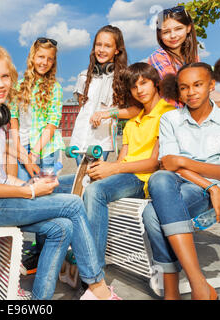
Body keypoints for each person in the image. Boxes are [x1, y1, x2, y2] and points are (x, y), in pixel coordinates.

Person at [0, 42, 121, 300]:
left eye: (5, 76)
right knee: (72, 204)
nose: (0, 84)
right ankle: (97, 289)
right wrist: (29, 191)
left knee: (61, 227)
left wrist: (27, 185)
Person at [142, 62, 220, 300]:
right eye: (184, 87)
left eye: (198, 85)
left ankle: (173, 292)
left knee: (152, 214)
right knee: (161, 177)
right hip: (184, 185)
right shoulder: (170, 119)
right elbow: (168, 165)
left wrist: (184, 163)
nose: (191, 92)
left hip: (203, 192)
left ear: (211, 85)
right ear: (178, 91)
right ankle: (199, 285)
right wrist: (210, 185)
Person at [82, 62, 175, 269]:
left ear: (156, 84)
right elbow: (121, 160)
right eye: (134, 86)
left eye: (144, 83)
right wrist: (103, 168)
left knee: (95, 191)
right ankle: (71, 251)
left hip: (143, 180)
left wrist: (113, 169)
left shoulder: (168, 114)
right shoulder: (132, 122)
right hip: (125, 175)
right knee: (71, 182)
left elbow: (155, 163)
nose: (139, 90)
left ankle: (93, 271)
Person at [72, 25, 140, 161]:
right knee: (80, 181)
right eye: (98, 45)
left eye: (108, 46)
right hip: (78, 140)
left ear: (117, 50)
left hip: (101, 143)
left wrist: (107, 113)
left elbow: (136, 111)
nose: (102, 50)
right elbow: (83, 108)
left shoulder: (124, 79)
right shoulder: (83, 76)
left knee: (93, 179)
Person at [148, 5, 220, 110]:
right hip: (172, 115)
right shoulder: (158, 58)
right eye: (166, 32)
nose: (173, 35)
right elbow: (177, 91)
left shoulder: (193, 57)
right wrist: (219, 106)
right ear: (160, 34)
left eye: (178, 29)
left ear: (188, 28)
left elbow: (204, 90)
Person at [9, 37, 65, 181]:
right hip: (23, 145)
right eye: (41, 57)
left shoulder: (55, 88)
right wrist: (19, 147)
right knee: (25, 189)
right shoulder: (18, 86)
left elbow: (52, 123)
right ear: (32, 57)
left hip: (46, 149)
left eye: (50, 59)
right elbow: (13, 117)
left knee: (46, 192)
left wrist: (34, 153)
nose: (45, 62)